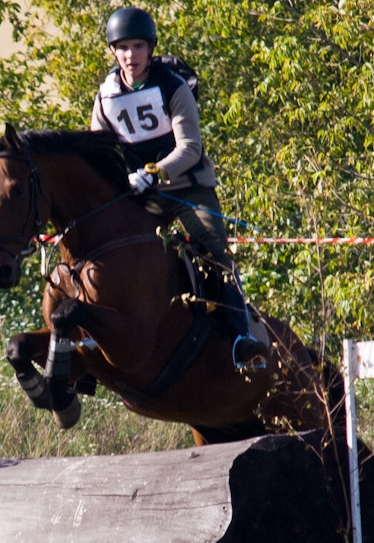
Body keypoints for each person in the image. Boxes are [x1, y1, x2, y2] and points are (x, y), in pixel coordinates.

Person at [90, 7, 269, 369]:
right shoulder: (106, 95)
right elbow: (100, 148)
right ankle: (91, 341)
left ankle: (242, 337)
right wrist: (119, 179)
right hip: (141, 196)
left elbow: (190, 149)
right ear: (112, 51)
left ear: (150, 48)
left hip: (187, 189)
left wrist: (154, 172)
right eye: (122, 48)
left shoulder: (173, 86)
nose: (130, 56)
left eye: (138, 46)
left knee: (212, 250)